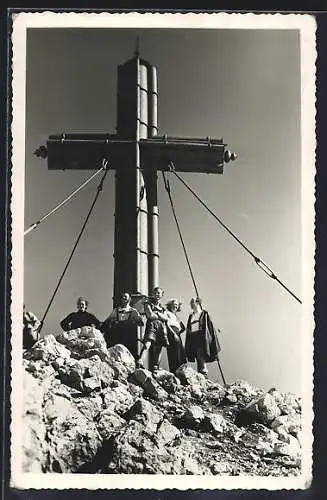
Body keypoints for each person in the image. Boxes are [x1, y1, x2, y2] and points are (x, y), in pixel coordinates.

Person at [184, 297, 221, 376]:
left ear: (198, 303)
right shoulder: (191, 316)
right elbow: (189, 327)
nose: (191, 304)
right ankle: (200, 374)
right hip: (193, 337)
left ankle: (203, 373)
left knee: (201, 354)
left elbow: (210, 326)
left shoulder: (203, 313)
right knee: (197, 355)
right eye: (190, 302)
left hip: (201, 336)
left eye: (193, 302)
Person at [136, 287, 169, 371]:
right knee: (147, 344)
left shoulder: (163, 308)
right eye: (155, 293)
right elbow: (150, 315)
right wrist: (160, 315)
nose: (157, 294)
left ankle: (156, 367)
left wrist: (157, 313)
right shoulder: (148, 304)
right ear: (153, 294)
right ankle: (140, 361)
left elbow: (166, 318)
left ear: (162, 295)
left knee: (158, 348)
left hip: (161, 328)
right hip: (152, 326)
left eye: (159, 293)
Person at [165, 298, 187, 373]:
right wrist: (173, 334)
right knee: (173, 352)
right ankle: (174, 371)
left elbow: (184, 328)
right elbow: (167, 324)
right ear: (170, 305)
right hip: (171, 332)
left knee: (180, 352)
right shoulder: (167, 313)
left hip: (177, 333)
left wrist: (178, 334)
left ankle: (181, 371)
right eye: (174, 304)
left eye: (177, 305)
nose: (175, 306)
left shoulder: (177, 317)